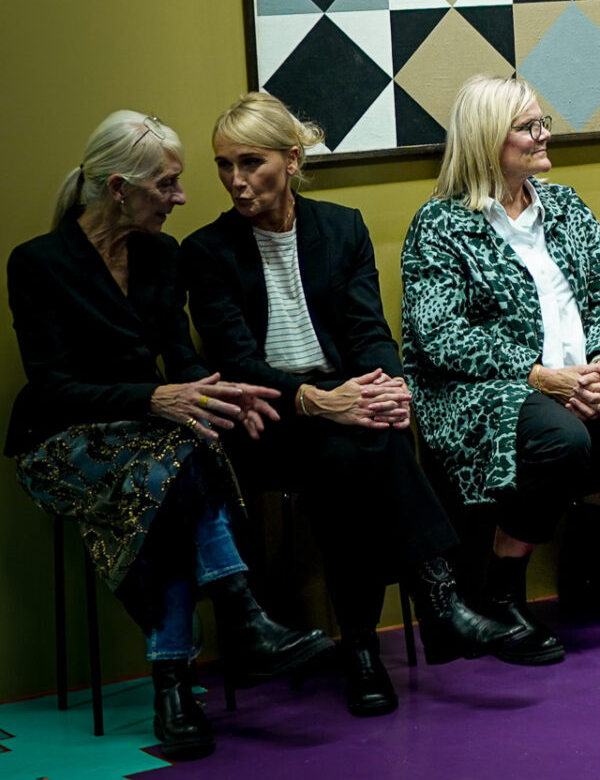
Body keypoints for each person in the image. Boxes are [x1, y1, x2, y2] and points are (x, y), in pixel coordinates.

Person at [182, 93, 537, 715]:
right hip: (265, 418)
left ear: (292, 160)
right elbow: (235, 361)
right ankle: (437, 605)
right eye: (223, 165)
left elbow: (369, 331)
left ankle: (367, 649)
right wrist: (319, 401)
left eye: (251, 162)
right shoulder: (207, 252)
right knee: (353, 449)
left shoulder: (341, 227)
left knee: (366, 441)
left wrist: (389, 388)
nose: (236, 181)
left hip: (345, 408)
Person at [6, 111, 332, 761]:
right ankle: (240, 624)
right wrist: (155, 396)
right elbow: (52, 388)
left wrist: (219, 396)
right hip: (59, 442)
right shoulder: (37, 263)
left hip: (149, 438)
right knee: (177, 474)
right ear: (120, 188)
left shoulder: (161, 255)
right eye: (168, 185)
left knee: (184, 465)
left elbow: (180, 358)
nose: (181, 199)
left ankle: (173, 684)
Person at [400, 75, 600, 660]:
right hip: (493, 391)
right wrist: (540, 377)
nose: (545, 135)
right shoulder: (441, 224)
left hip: (588, 376)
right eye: (529, 127)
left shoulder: (565, 205)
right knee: (562, 442)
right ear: (489, 140)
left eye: (542, 122)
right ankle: (503, 594)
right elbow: (439, 336)